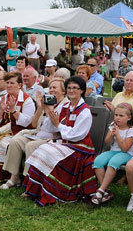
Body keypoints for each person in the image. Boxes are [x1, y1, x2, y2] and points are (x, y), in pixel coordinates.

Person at [23, 76, 97, 205]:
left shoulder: (85, 111)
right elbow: (51, 128)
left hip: (80, 147)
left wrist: (58, 125)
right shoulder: (67, 106)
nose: (71, 91)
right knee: (41, 150)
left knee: (48, 153)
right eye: (69, 88)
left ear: (82, 91)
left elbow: (76, 135)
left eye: (75, 88)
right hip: (66, 143)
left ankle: (52, 192)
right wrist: (48, 112)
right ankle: (35, 190)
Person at [0, 78, 67, 189]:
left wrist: (49, 110)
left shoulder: (65, 105)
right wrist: (40, 108)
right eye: (50, 87)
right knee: (15, 141)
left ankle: (29, 180)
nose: (51, 90)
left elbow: (57, 128)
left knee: (30, 146)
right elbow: (34, 124)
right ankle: (14, 177)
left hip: (52, 139)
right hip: (37, 134)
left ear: (63, 92)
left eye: (55, 87)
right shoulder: (47, 102)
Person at [89, 103, 133, 205]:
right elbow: (108, 142)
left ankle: (100, 190)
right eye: (116, 115)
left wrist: (118, 135)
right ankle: (106, 192)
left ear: (129, 117)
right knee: (98, 161)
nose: (117, 118)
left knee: (113, 162)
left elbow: (125, 148)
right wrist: (111, 133)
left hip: (127, 153)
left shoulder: (131, 130)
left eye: (121, 116)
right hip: (113, 151)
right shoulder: (113, 126)